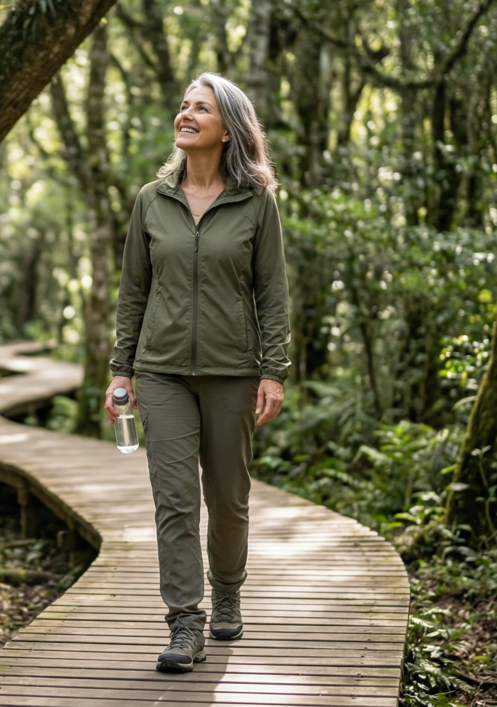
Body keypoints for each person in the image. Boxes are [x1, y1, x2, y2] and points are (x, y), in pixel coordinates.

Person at [105, 72, 290, 673]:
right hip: (159, 373)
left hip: (234, 370)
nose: (185, 115)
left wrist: (273, 370)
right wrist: (121, 371)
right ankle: (186, 621)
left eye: (200, 109)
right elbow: (134, 290)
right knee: (176, 502)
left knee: (229, 498)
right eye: (183, 105)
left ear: (228, 130)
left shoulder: (256, 202)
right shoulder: (150, 200)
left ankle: (229, 589)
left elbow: (273, 292)